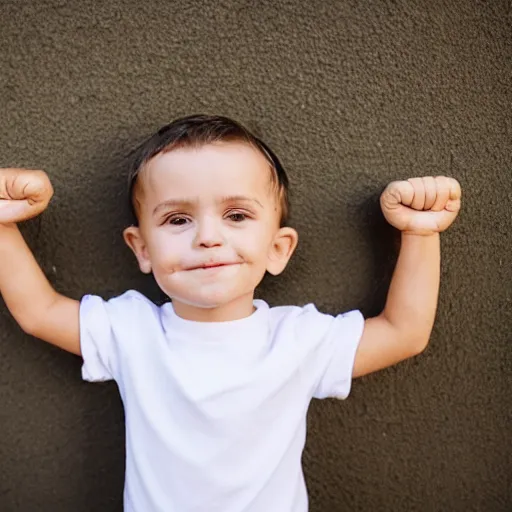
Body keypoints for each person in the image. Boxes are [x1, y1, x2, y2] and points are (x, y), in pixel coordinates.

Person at [0, 114, 461, 512]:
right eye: (177, 219)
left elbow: (404, 332)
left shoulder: (298, 340)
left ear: (278, 249)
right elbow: (39, 311)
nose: (207, 237)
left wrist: (420, 233)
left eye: (237, 215)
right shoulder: (131, 331)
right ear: (141, 248)